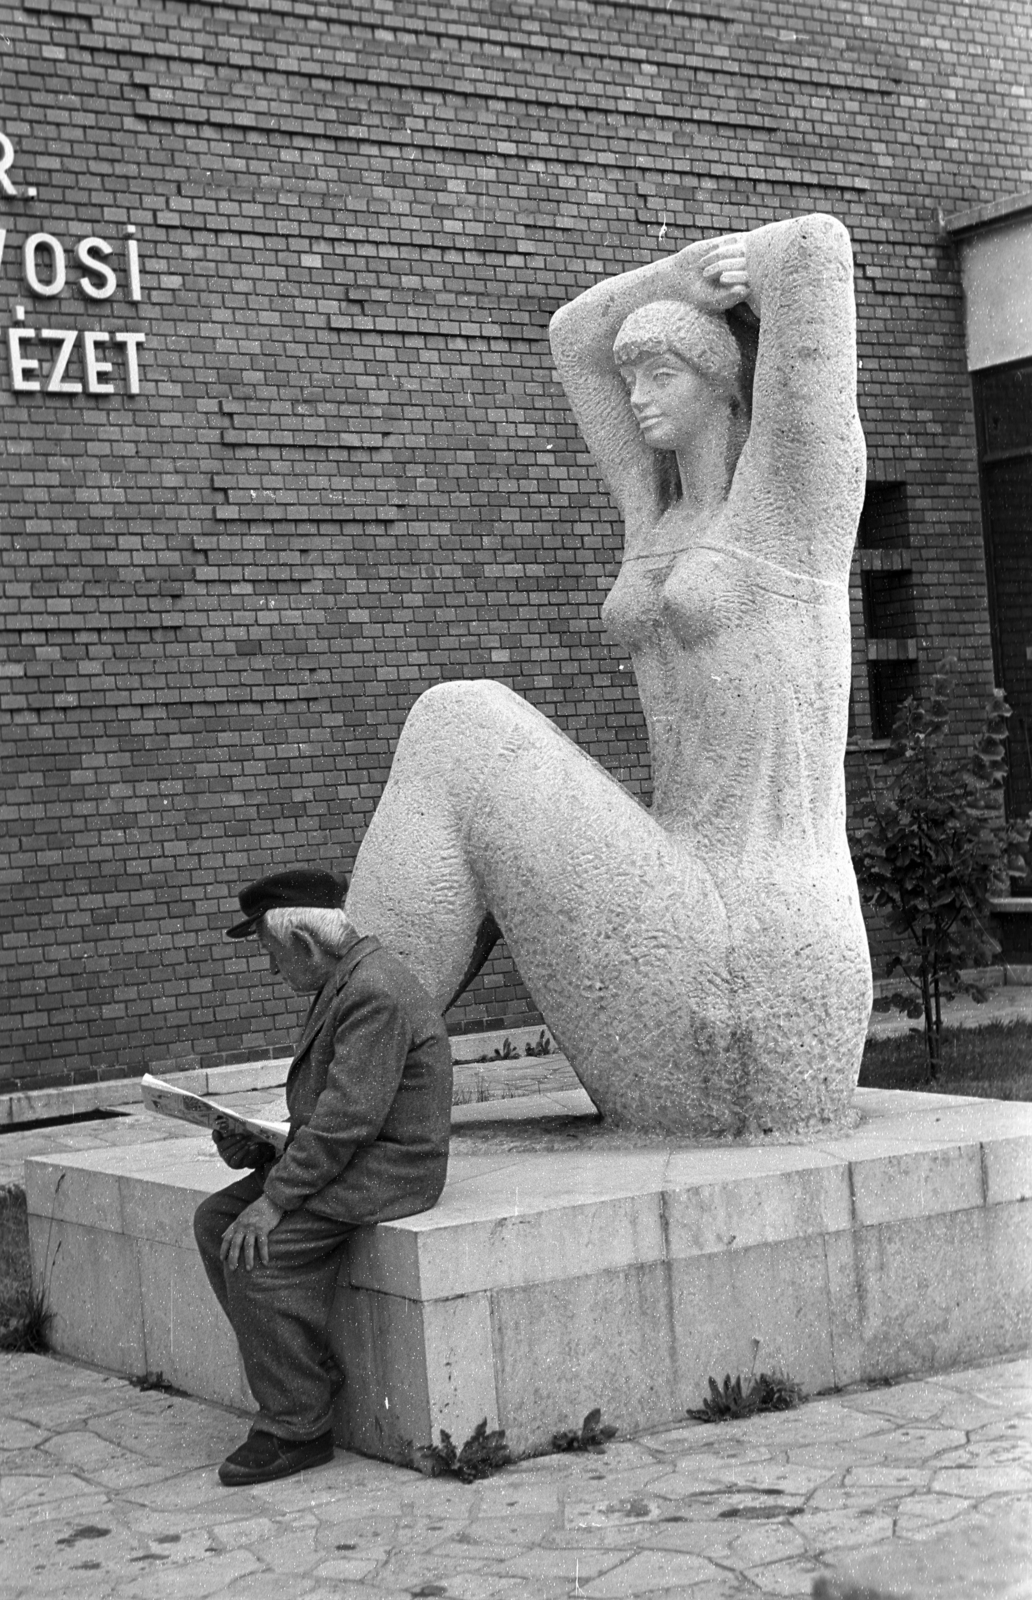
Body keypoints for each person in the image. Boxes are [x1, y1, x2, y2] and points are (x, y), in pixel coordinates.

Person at [340, 215, 872, 1137]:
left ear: (728, 382)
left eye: (661, 374)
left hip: (768, 954)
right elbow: (573, 337)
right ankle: (341, 1089)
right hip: (686, 909)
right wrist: (673, 277)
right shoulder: (655, 518)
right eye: (633, 381)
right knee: (455, 729)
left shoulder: (793, 508)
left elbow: (819, 255)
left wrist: (756, 268)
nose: (636, 401)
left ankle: (336, 1090)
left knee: (459, 721)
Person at [193, 868, 452, 1486]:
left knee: (258, 1252)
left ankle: (297, 1425)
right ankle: (300, 1373)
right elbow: (335, 1108)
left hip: (386, 1169)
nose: (273, 968)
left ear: (306, 945)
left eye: (271, 953)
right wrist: (257, 1147)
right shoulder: (350, 980)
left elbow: (345, 1121)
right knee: (215, 1223)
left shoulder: (373, 991)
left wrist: (275, 1199)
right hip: (354, 1158)